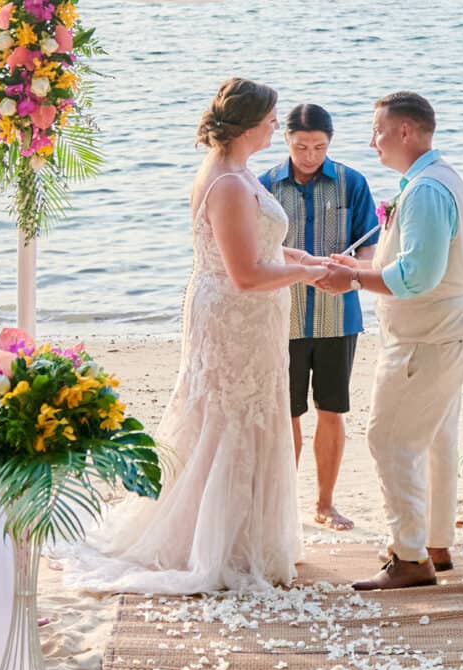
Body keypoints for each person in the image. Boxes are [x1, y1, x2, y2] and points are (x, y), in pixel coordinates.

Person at [72, 79, 338, 594]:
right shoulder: (231, 183)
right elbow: (245, 273)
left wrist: (308, 259)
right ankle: (220, 545)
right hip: (235, 314)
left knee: (245, 412)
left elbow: (260, 249)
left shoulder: (239, 172)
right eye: (269, 118)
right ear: (246, 125)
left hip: (248, 314)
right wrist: (305, 276)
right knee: (230, 416)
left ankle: (248, 536)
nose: (273, 125)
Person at [325, 92, 463, 593]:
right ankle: (435, 543)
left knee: (390, 438)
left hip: (428, 335)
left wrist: (352, 282)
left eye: (377, 129)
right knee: (436, 435)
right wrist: (359, 267)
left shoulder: (424, 191)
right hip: (450, 326)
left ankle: (410, 556)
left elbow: (417, 276)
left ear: (405, 132)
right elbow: (421, 265)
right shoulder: (439, 179)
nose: (371, 140)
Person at [265, 103, 379, 532]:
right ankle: (284, 508)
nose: (309, 154)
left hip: (338, 317)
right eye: (300, 146)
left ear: (330, 142)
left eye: (318, 146)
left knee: (332, 410)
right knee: (286, 414)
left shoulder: (353, 182)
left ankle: (325, 504)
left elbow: (369, 248)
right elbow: (257, 250)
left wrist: (355, 269)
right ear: (286, 140)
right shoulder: (264, 186)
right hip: (282, 316)